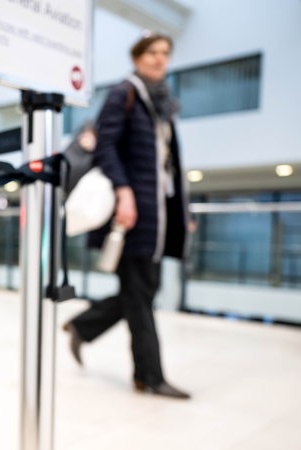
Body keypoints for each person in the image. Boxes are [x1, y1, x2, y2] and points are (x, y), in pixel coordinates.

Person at [63, 31, 191, 399]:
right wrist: (124, 193)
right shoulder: (125, 92)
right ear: (137, 56)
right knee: (140, 293)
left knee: (143, 290)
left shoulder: (162, 103)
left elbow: (168, 167)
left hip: (156, 212)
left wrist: (182, 210)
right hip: (132, 211)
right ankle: (149, 376)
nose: (159, 59)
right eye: (151, 52)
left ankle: (83, 326)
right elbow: (105, 145)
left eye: (165, 53)